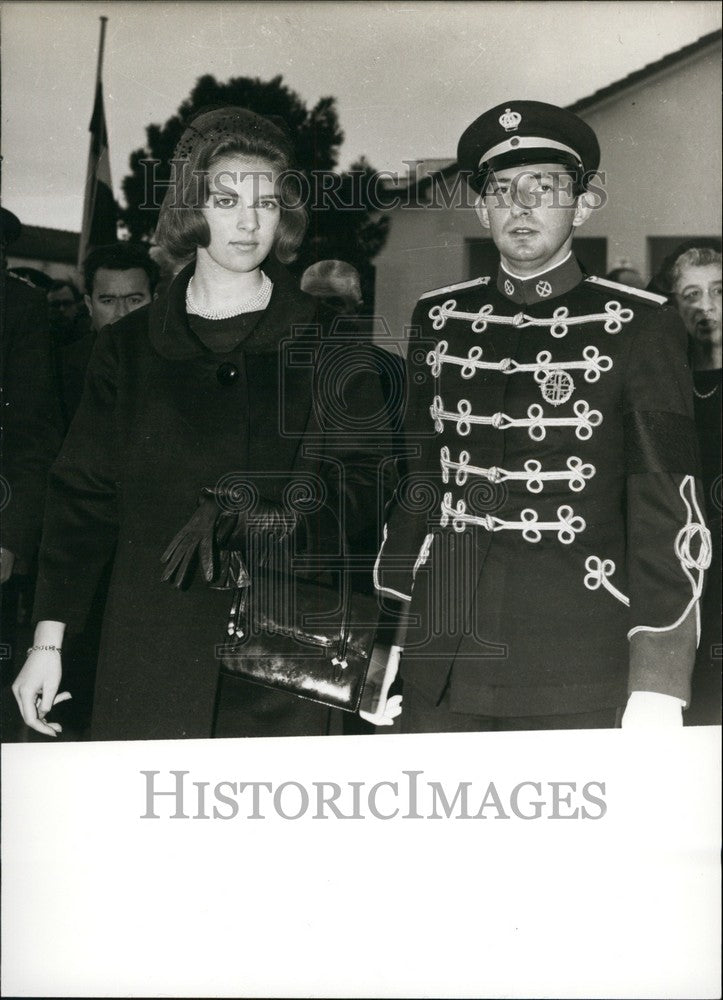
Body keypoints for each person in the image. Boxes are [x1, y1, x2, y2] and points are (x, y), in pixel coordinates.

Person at [12, 106, 391, 741]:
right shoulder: (127, 347)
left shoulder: (330, 342)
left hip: (284, 658)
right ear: (192, 208)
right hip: (150, 652)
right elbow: (82, 500)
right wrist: (48, 644)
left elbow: (367, 487)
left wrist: (271, 517)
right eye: (226, 200)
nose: (249, 222)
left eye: (266, 203)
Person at [374, 100, 710, 733]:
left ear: (581, 206)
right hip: (439, 653)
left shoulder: (643, 325)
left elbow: (666, 506)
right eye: (502, 189)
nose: (521, 205)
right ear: (482, 210)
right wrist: (385, 637)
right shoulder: (438, 318)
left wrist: (659, 679)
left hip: (575, 655)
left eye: (544, 187)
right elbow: (418, 488)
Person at [660, 243, 721, 724]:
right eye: (692, 295)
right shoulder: (663, 383)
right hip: (685, 570)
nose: (707, 307)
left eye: (719, 292)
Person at [59, 242, 160, 426]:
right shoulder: (60, 369)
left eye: (134, 300)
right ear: (90, 306)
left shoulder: (177, 364)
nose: (121, 313)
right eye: (108, 301)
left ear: (155, 303)